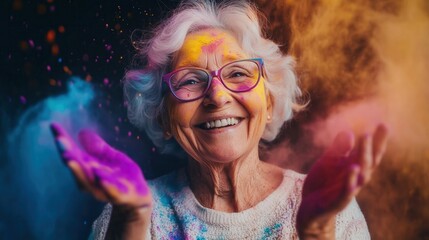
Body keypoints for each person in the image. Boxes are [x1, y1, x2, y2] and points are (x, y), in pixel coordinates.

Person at [50, 0, 388, 239]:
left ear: (269, 101)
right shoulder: (131, 214)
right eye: (191, 80)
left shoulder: (326, 206)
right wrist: (133, 220)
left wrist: (315, 232)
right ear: (164, 114)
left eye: (238, 73)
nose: (218, 96)